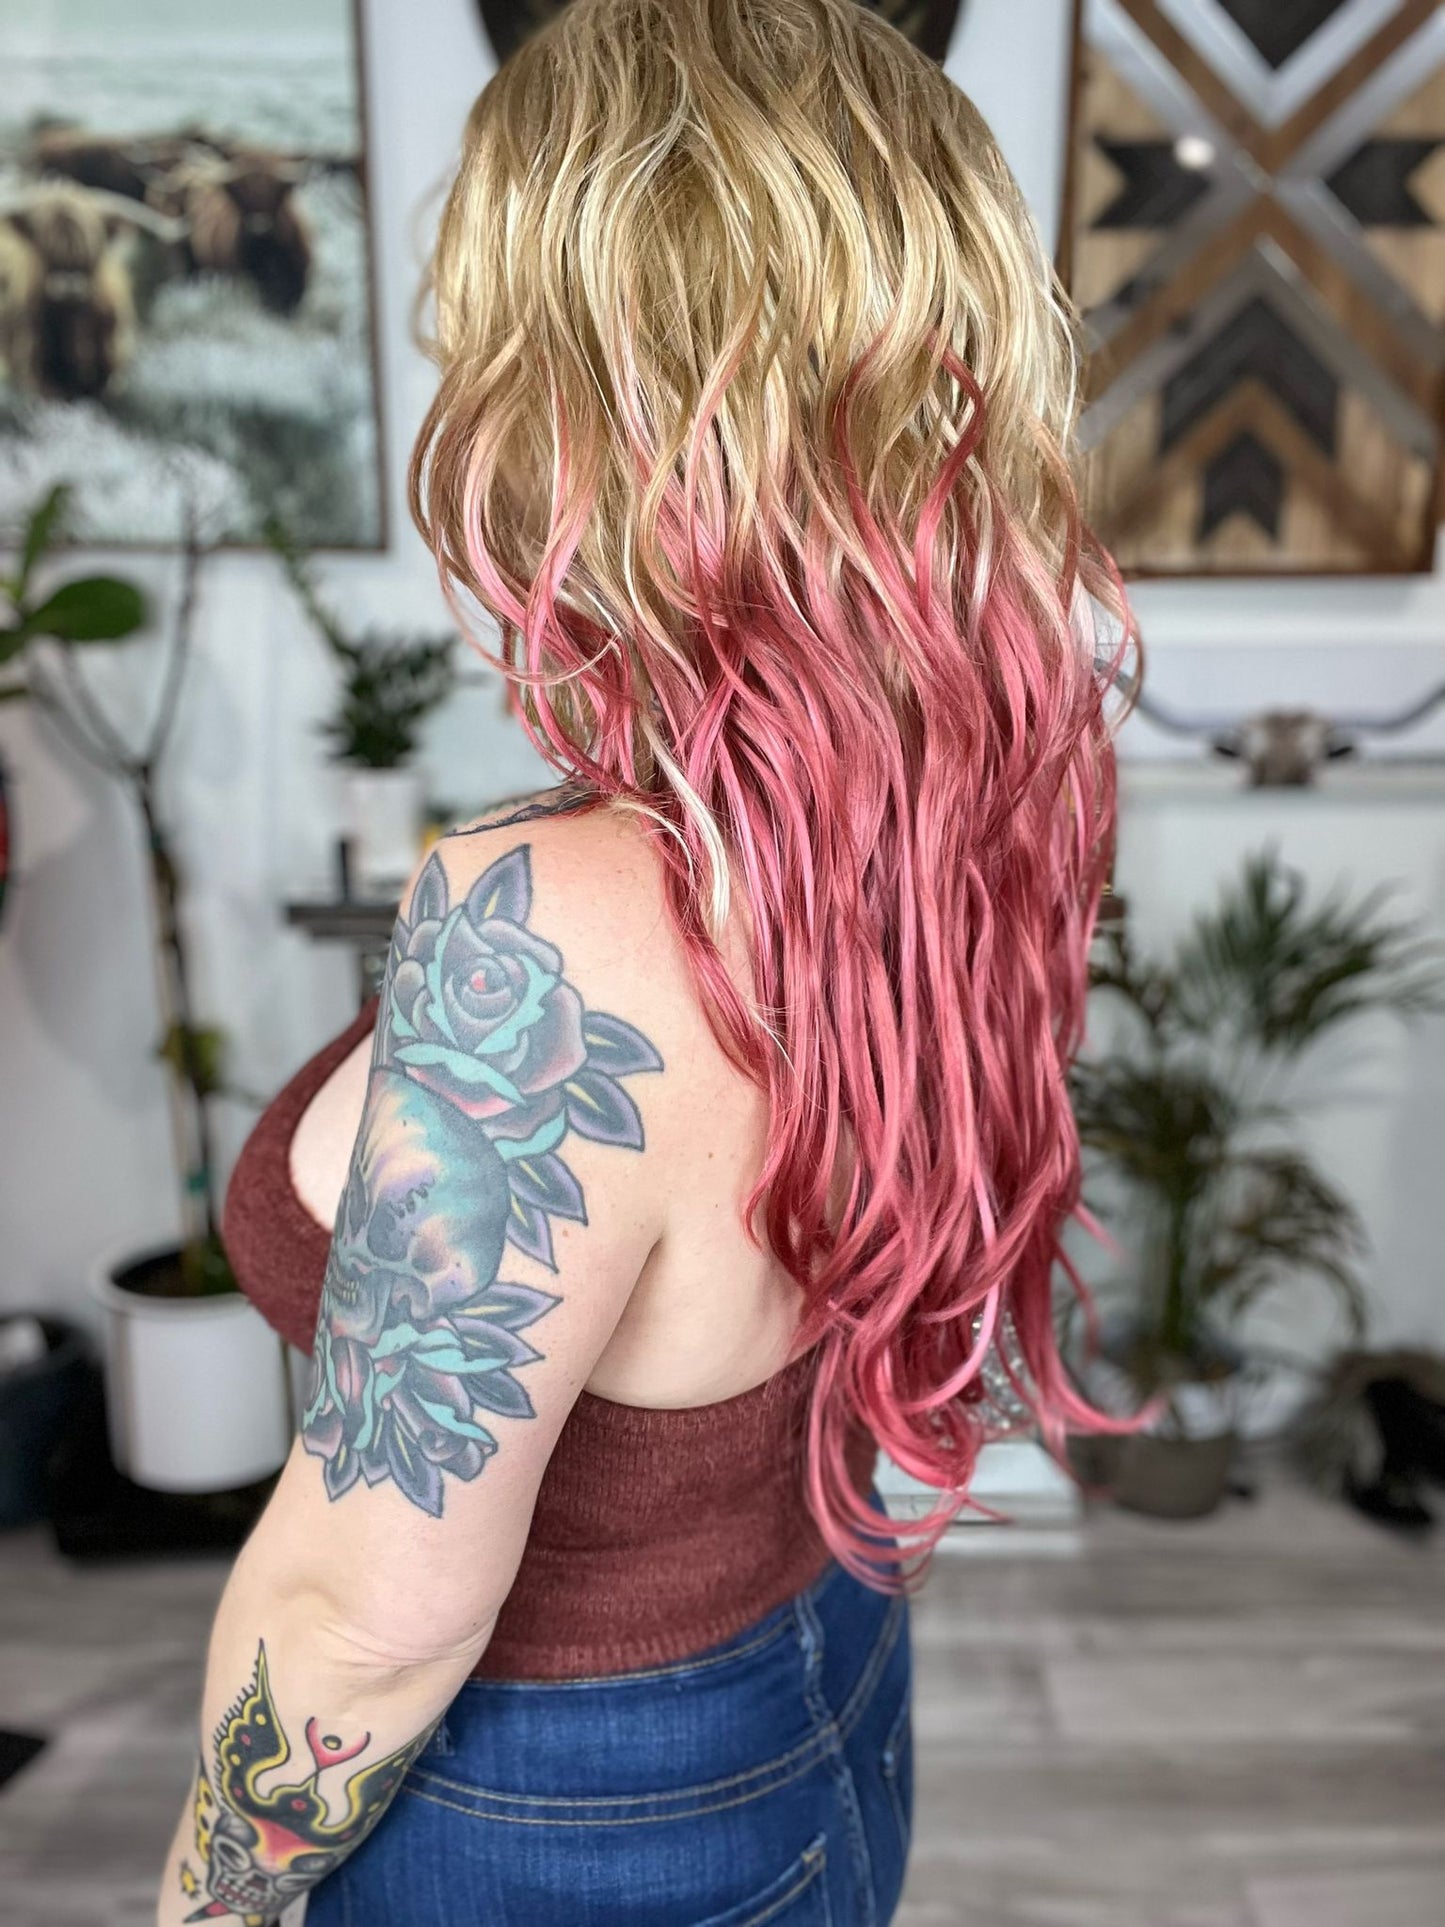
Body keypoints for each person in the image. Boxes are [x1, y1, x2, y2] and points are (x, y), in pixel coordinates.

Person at [156, 0, 1136, 1920]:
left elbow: (370, 1614)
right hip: (816, 1666)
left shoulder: (559, 921)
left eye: (479, 332)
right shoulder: (949, 798)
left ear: (578, 390)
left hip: (551, 1801)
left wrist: (201, 1899)